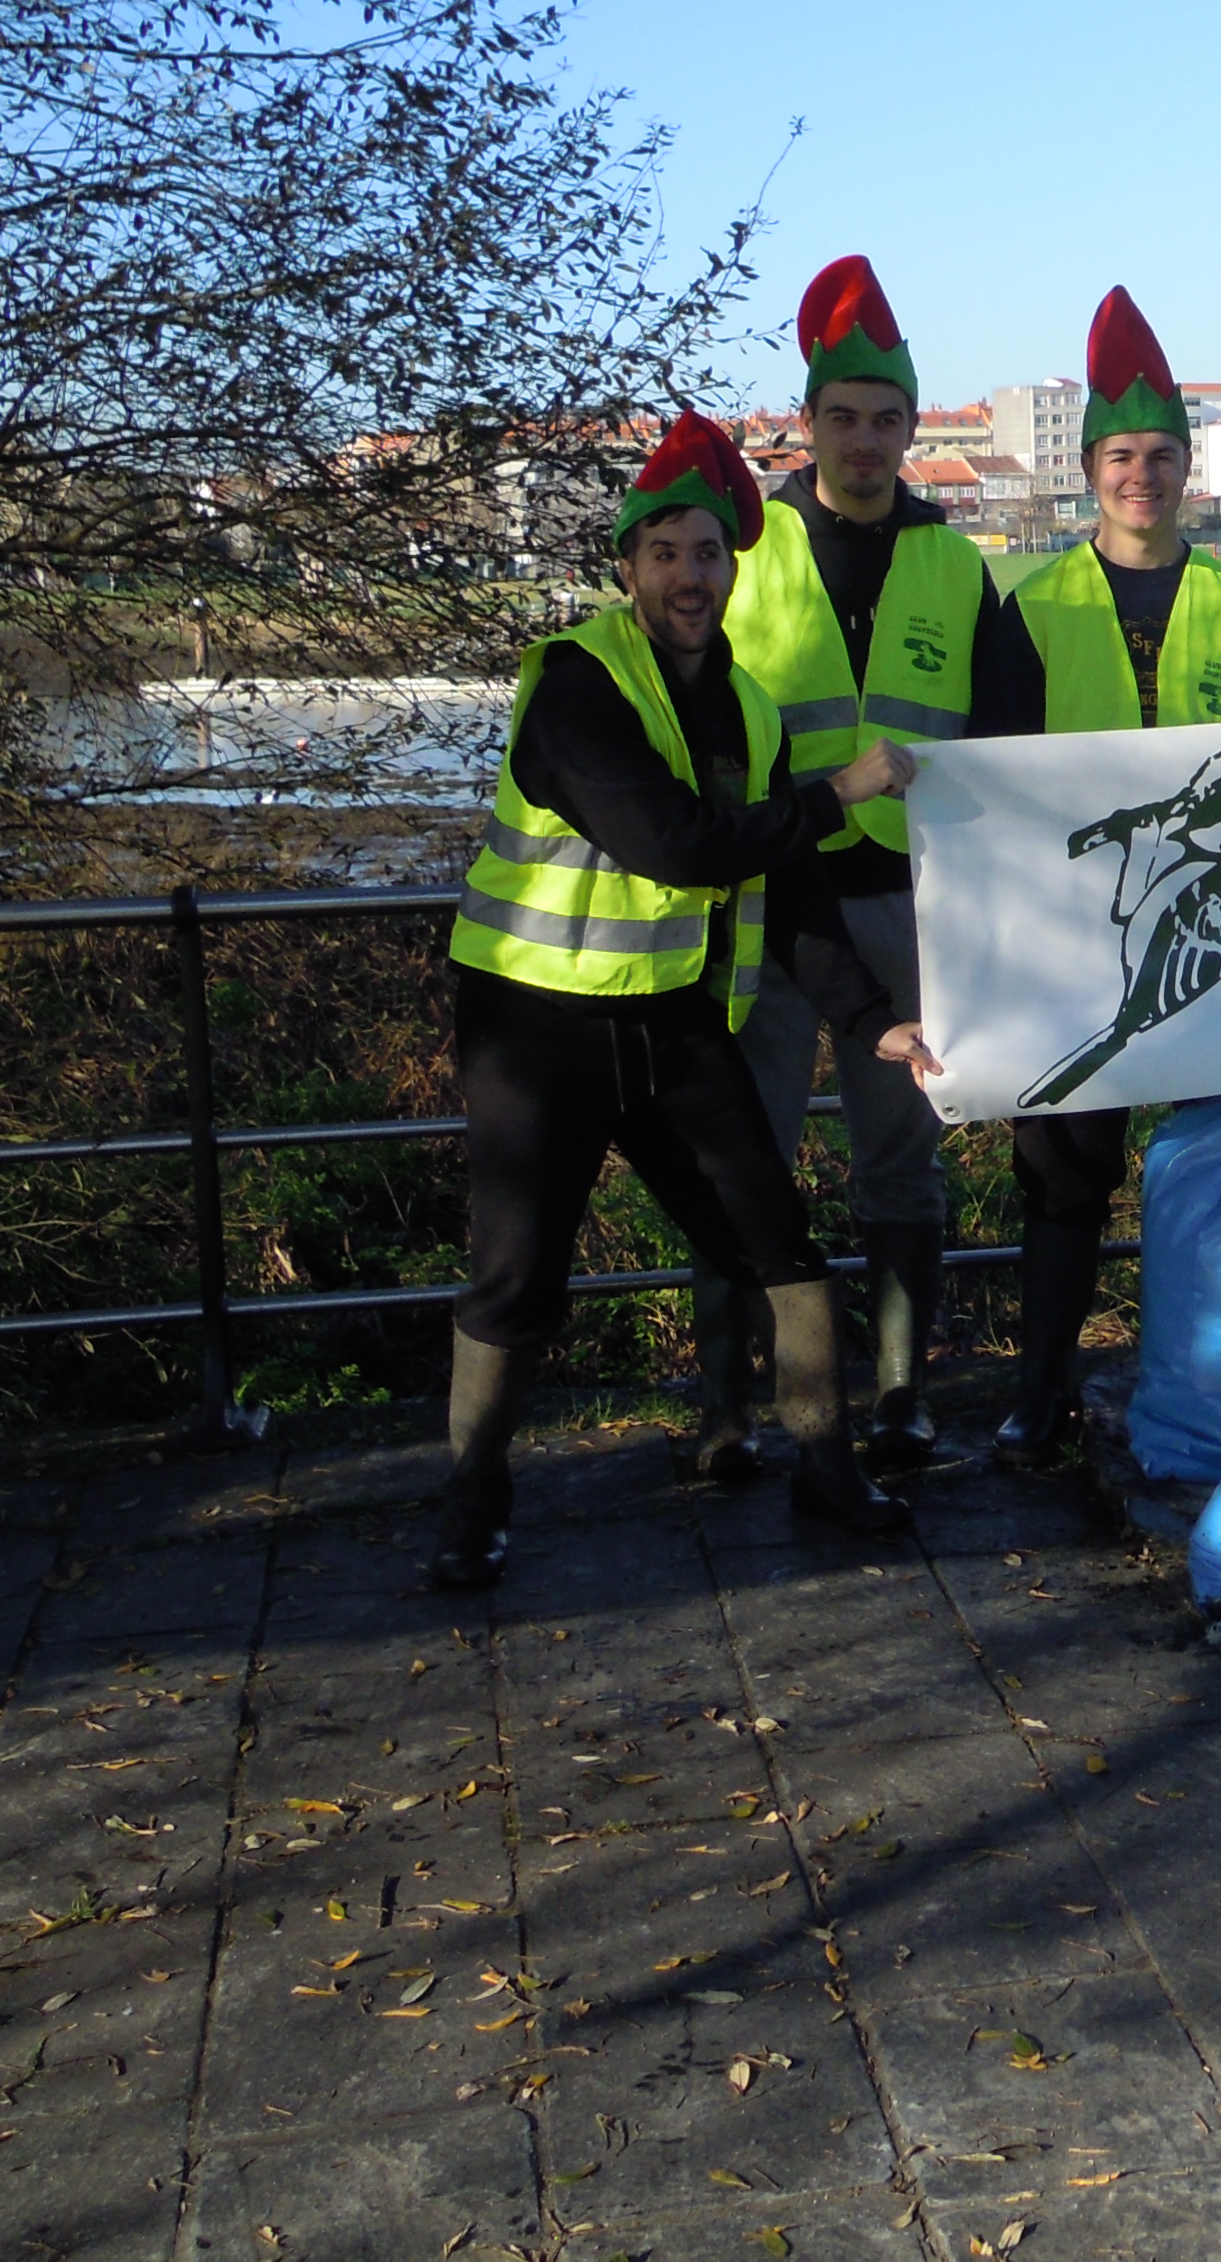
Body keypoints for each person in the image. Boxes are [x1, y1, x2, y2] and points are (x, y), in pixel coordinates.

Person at [436, 416, 917, 1590]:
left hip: (669, 1017)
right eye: (665, 555)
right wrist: (837, 792)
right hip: (534, 1026)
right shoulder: (575, 681)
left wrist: (870, 1020)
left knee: (777, 1239)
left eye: (708, 555)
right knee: (518, 1275)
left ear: (730, 570)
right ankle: (473, 1496)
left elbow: (789, 892)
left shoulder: (749, 708)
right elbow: (671, 844)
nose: (689, 577)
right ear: (626, 569)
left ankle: (825, 1460)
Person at [724, 255, 1038, 1468]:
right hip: (768, 903)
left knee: (897, 1161)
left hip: (909, 909)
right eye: (842, 418)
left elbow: (1008, 742)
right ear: (809, 426)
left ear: (913, 428)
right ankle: (750, 1398)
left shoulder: (957, 565)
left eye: (886, 419)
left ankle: (902, 1390)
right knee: (748, 1157)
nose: (865, 439)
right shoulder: (746, 552)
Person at [991, 288, 1221, 1465]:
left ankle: (1219, 1385)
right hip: (1077, 943)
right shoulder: (1031, 609)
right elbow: (997, 788)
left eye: (1163, 455)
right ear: (1089, 469)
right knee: (1063, 1182)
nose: (1143, 475)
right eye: (1122, 455)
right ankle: (1039, 1390)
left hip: (1219, 937)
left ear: (1188, 468)